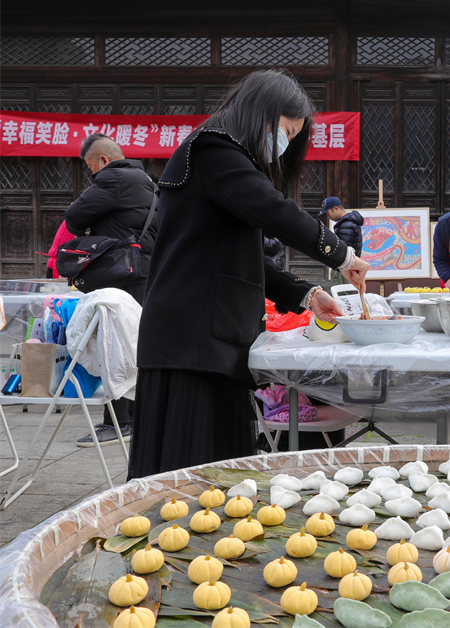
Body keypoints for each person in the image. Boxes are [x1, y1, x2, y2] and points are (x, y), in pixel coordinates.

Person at [128, 70, 370, 478]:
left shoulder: (219, 158)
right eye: (286, 132)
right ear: (263, 112)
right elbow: (275, 210)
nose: (286, 145)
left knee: (213, 476)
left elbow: (236, 259)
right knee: (191, 474)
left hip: (205, 337)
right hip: (193, 340)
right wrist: (341, 254)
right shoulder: (212, 150)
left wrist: (308, 295)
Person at [63, 132, 158, 447]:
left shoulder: (112, 178)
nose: (91, 173)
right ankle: (139, 418)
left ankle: (118, 422)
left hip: (118, 275)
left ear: (102, 160)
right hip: (145, 272)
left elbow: (74, 218)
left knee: (112, 345)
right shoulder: (147, 180)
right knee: (136, 344)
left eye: (91, 167)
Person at [320, 196, 364, 288]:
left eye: (328, 214)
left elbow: (342, 249)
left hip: (343, 269)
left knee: (341, 297)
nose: (328, 217)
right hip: (346, 268)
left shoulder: (346, 224)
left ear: (335, 208)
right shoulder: (348, 222)